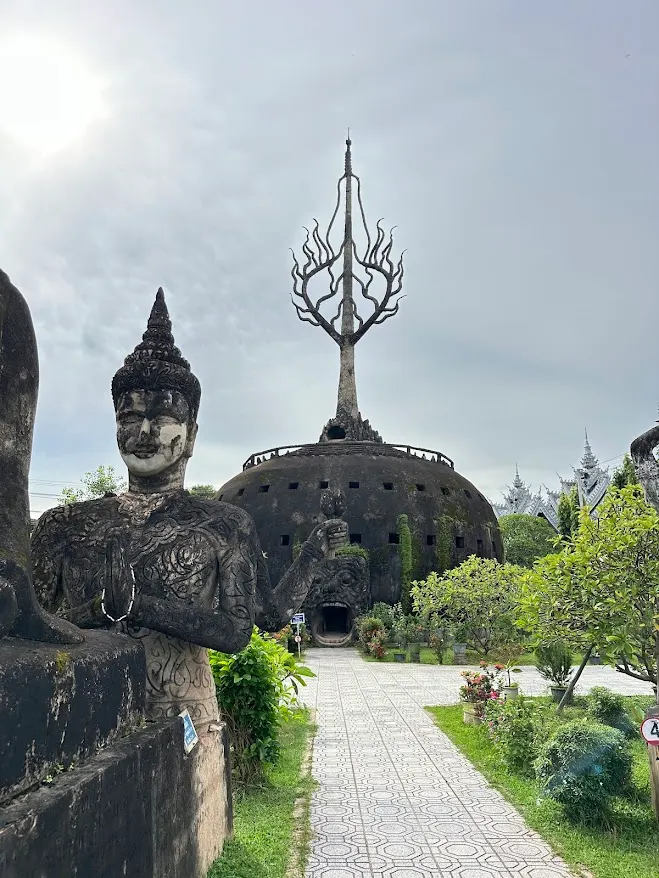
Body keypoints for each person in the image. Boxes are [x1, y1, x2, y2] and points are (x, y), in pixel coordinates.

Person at [32, 288, 347, 725]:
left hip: (185, 721)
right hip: (83, 725)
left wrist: (312, 554)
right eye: (129, 418)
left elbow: (248, 626)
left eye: (161, 418)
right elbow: (31, 631)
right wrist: (96, 612)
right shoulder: (64, 525)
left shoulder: (223, 525)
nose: (144, 432)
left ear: (191, 433)